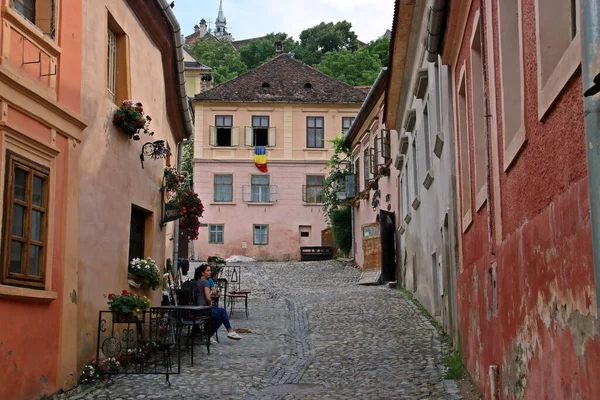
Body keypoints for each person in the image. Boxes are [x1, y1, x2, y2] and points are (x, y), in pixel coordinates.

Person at [193, 264, 241, 341]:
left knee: (222, 311)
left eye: (210, 270)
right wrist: (209, 303)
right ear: (202, 272)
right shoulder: (205, 282)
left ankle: (230, 331)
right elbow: (208, 298)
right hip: (203, 309)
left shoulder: (196, 281)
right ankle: (209, 335)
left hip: (198, 308)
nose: (210, 272)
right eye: (207, 271)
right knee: (221, 318)